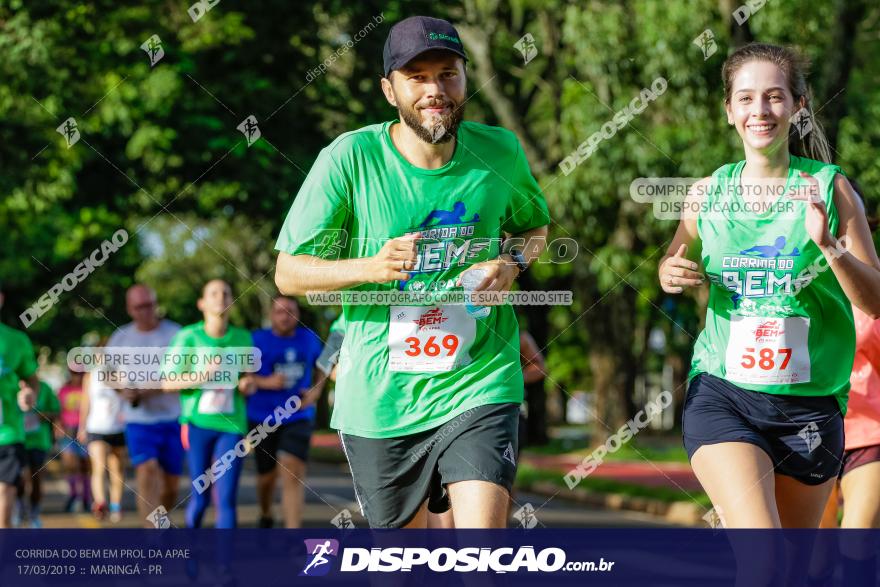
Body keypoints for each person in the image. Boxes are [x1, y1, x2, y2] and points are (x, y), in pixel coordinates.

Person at [274, 15, 550, 529]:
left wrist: (511, 264)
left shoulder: (500, 151)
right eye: (416, 77)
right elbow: (288, 274)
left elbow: (535, 228)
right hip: (382, 399)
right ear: (389, 89)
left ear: (465, 79)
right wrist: (371, 267)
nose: (435, 90)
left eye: (447, 74)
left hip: (479, 382)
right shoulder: (349, 158)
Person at [660, 43, 880, 529]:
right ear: (728, 110)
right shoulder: (706, 193)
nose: (759, 110)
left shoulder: (830, 188)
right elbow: (673, 259)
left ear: (799, 105)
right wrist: (669, 272)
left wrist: (830, 248)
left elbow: (875, 300)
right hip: (724, 391)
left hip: (811, 405)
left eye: (774, 97)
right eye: (745, 98)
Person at [162, 279, 256, 528]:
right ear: (202, 303)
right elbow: (167, 383)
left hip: (232, 425)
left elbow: (248, 378)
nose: (221, 297)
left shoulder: (243, 337)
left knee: (226, 499)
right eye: (213, 293)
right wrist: (201, 376)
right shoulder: (188, 337)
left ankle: (224, 566)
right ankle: (192, 556)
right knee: (201, 497)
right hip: (197, 424)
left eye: (226, 292)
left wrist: (248, 384)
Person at [105, 284, 183, 527]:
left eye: (149, 305)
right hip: (139, 420)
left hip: (173, 418)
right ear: (130, 309)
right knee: (146, 469)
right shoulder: (120, 338)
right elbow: (107, 374)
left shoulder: (177, 334)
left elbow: (189, 375)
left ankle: (161, 518)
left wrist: (150, 388)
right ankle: (152, 538)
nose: (146, 311)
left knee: (171, 485)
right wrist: (123, 390)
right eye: (139, 307)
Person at [248, 296, 325, 528]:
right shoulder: (256, 340)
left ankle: (292, 535)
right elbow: (240, 376)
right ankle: (265, 512)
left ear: (297, 315)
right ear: (271, 315)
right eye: (279, 311)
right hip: (263, 417)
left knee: (292, 470)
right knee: (266, 477)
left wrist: (315, 393)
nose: (285, 316)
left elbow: (322, 366)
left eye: (290, 311)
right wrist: (265, 382)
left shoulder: (309, 339)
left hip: (298, 415)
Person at [0, 286, 38, 528]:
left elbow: (31, 378)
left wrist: (29, 393)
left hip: (8, 431)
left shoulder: (17, 340)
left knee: (4, 492)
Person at [78, 349, 126, 523]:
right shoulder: (90, 377)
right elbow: (85, 403)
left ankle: (116, 506)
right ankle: (100, 503)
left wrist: (113, 382)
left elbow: (128, 397)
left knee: (117, 469)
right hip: (96, 427)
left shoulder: (120, 375)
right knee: (98, 467)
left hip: (117, 428)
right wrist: (81, 427)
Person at [16, 380, 60, 527]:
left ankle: (34, 512)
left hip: (39, 441)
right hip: (17, 439)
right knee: (18, 477)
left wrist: (43, 415)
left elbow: (56, 410)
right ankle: (20, 507)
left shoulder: (45, 387)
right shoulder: (9, 383)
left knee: (36, 477)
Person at [57, 369, 91, 513]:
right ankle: (73, 494)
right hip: (68, 429)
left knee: (85, 466)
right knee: (69, 464)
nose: (77, 375)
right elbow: (58, 409)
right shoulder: (64, 389)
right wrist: (58, 426)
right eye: (74, 372)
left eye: (80, 373)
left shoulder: (88, 388)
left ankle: (86, 498)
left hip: (85, 430)